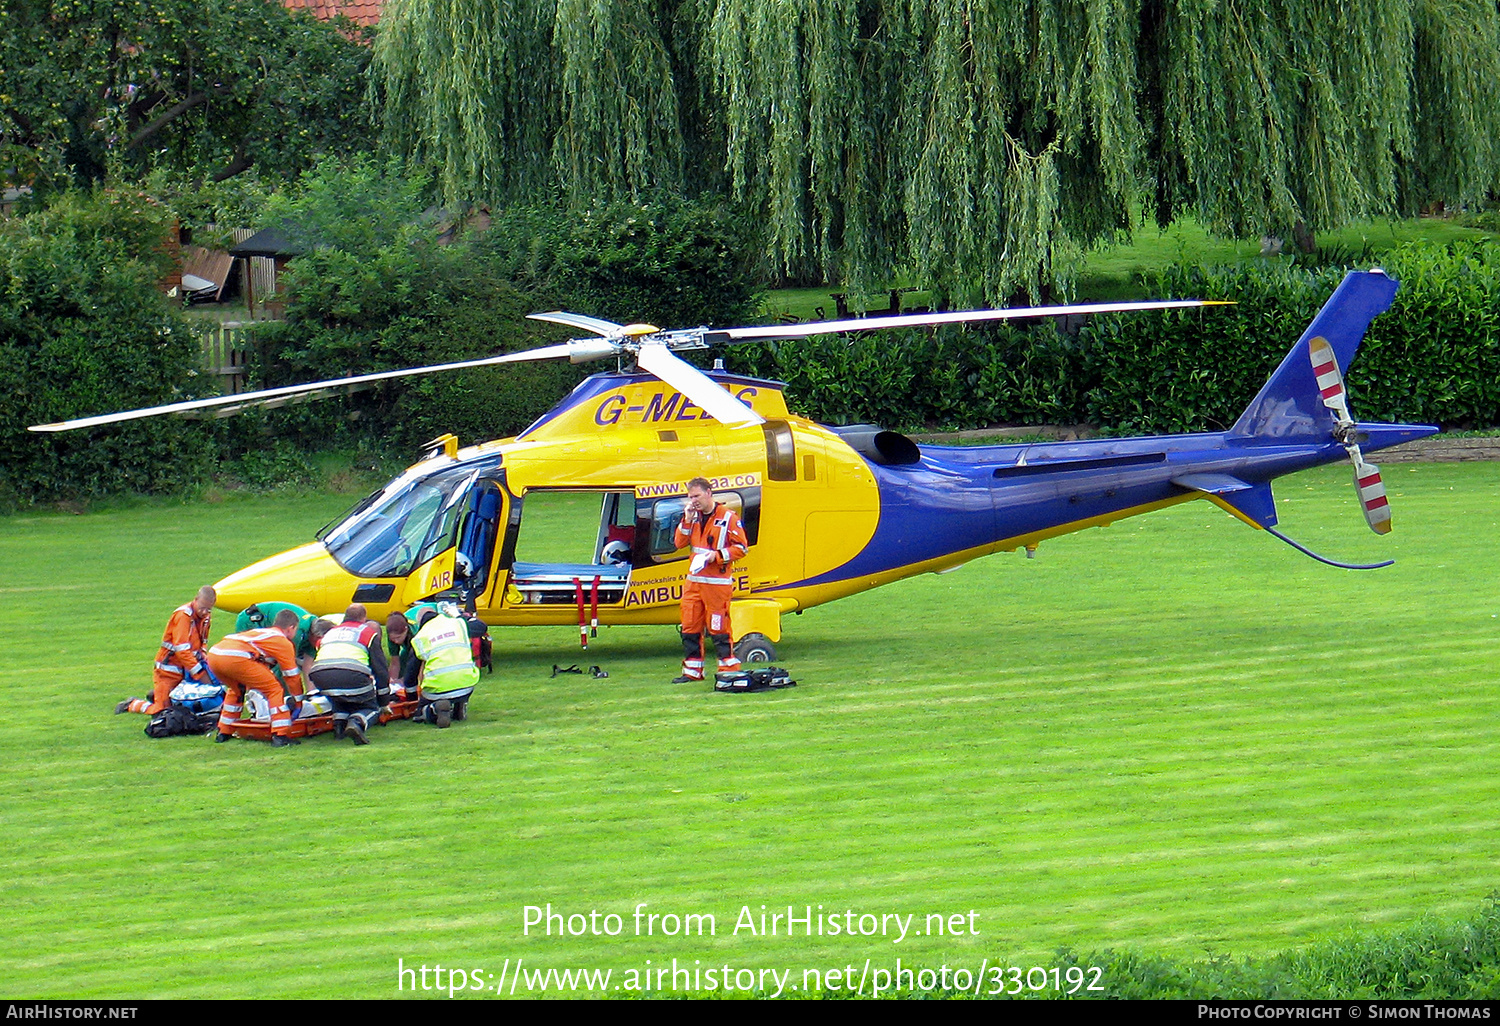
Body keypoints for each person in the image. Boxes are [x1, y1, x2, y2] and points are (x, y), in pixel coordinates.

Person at [672, 477, 749, 683]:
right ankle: (692, 671)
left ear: (708, 493)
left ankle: (728, 668)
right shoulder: (693, 517)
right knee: (689, 625)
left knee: (719, 628)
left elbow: (741, 548)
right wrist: (687, 519)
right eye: (690, 497)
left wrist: (715, 556)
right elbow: (679, 542)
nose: (693, 500)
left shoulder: (728, 517)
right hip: (694, 582)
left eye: (696, 496)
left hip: (717, 583)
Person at [208, 609, 304, 748]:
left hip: (215, 654)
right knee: (274, 689)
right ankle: (280, 734)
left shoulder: (261, 633)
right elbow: (291, 676)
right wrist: (299, 700)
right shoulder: (282, 642)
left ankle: (224, 731)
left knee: (236, 690)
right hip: (235, 657)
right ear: (291, 628)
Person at [116, 585, 216, 716]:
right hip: (169, 669)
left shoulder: (206, 617)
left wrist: (204, 659)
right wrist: (200, 674)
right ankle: (132, 704)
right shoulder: (183, 616)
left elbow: (203, 642)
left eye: (208, 609)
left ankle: (160, 695)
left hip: (187, 670)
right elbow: (182, 649)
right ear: (195, 599)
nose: (205, 612)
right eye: (202, 608)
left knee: (189, 707)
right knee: (162, 712)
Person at [306, 604, 389, 745]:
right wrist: (383, 702)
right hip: (351, 674)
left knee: (340, 698)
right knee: (371, 707)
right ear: (364, 618)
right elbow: (380, 669)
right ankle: (356, 723)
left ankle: (339, 726)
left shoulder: (330, 632)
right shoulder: (367, 633)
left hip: (320, 676)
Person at [410, 605, 480, 728]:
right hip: (467, 683)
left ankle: (434, 709)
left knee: (419, 713)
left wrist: (410, 695)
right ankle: (459, 706)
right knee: (457, 690)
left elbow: (413, 670)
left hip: (437, 688)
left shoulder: (420, 637)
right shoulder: (458, 623)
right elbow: (480, 627)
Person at [234, 601, 320, 675]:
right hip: (251, 620)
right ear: (315, 636)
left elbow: (308, 665)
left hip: (274, 625)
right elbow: (285, 666)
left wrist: (311, 693)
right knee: (249, 664)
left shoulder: (313, 636)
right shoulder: (297, 632)